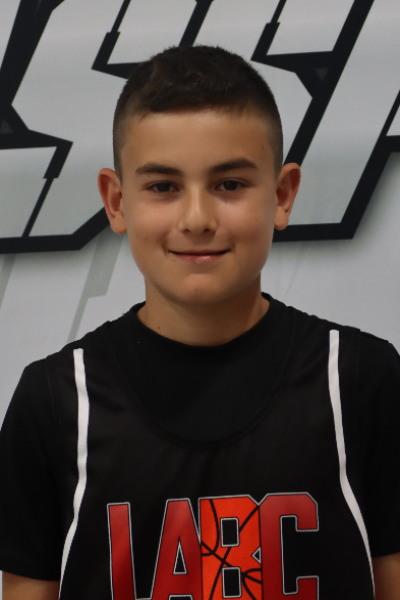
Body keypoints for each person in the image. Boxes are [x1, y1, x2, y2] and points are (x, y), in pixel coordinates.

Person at [0, 45, 399, 600]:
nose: (196, 219)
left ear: (282, 195)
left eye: (229, 184)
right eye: (163, 186)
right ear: (116, 202)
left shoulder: (358, 380)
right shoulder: (55, 400)